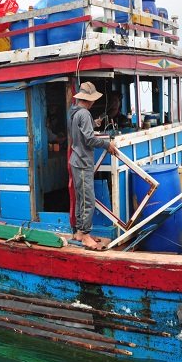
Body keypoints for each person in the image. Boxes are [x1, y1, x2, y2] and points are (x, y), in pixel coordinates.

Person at [68, 82, 120, 249]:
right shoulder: (84, 114)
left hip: (76, 160)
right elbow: (89, 139)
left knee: (81, 198)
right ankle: (85, 235)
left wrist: (94, 123)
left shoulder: (74, 112)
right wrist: (107, 145)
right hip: (83, 162)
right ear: (89, 99)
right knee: (88, 200)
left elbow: (81, 132)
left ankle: (79, 233)